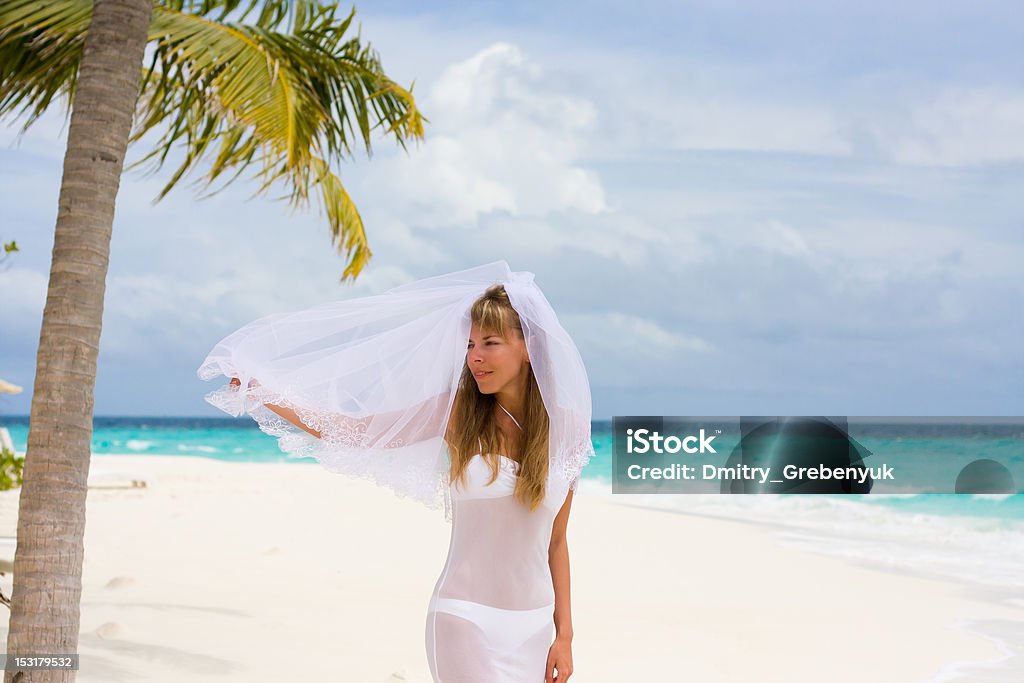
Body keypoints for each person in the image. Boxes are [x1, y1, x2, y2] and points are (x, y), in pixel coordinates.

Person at [199, 261, 594, 682]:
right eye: (469, 344)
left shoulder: (565, 427)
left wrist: (564, 635)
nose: (474, 357)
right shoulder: (458, 413)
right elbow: (358, 430)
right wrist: (263, 392)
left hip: (533, 630)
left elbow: (555, 542)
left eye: (489, 343)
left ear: (528, 347)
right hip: (464, 620)